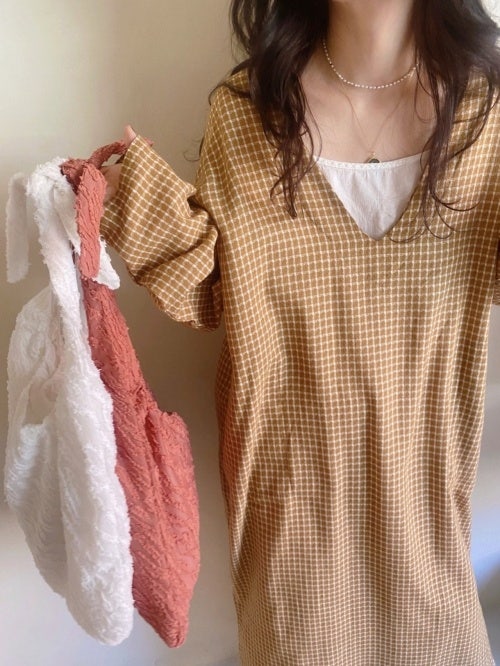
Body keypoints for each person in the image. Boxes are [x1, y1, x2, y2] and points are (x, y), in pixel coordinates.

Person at [101, 1, 500, 664]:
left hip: (434, 551)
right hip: (293, 551)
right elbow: (213, 290)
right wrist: (127, 199)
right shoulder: (247, 114)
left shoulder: (485, 119)